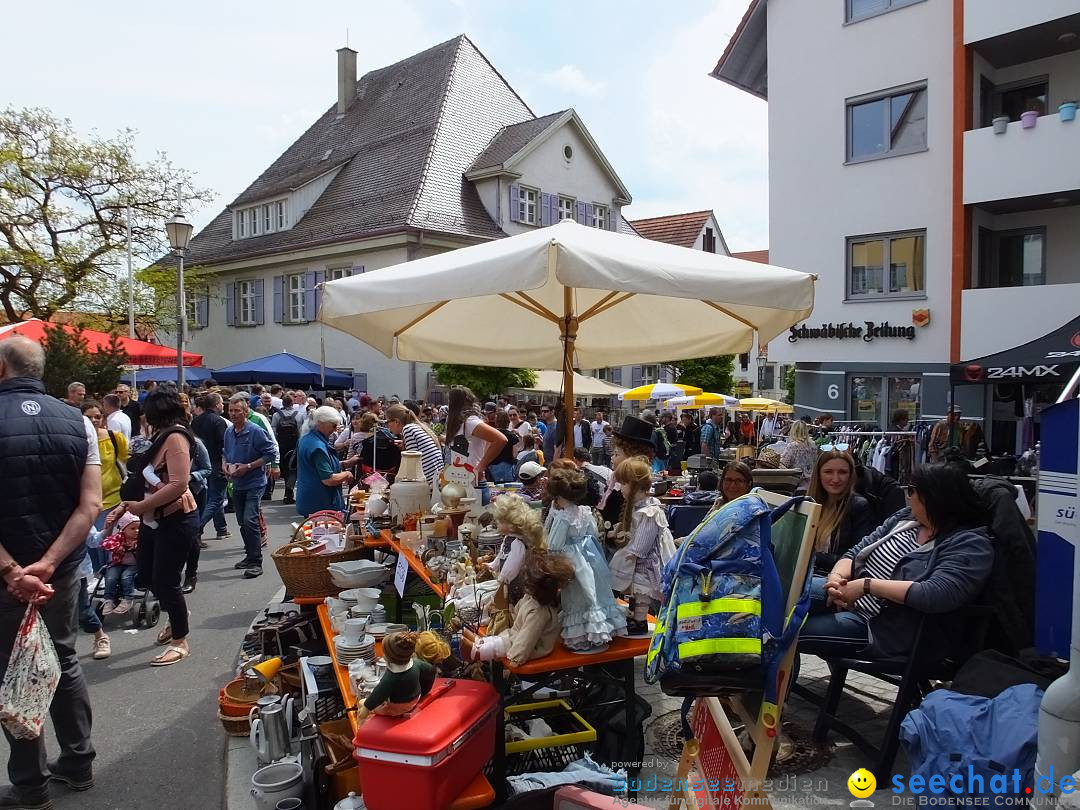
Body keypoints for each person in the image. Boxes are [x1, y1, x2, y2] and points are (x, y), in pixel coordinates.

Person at [0, 337, 101, 806]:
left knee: (13, 668)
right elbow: (91, 505)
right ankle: (78, 761)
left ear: (2, 369)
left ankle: (31, 782)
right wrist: (52, 561)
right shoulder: (79, 421)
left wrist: (14, 571)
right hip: (61, 569)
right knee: (62, 657)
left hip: (8, 575)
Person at [798, 463, 993, 662]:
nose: (908, 497)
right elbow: (855, 552)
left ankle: (775, 686)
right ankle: (774, 684)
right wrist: (836, 578)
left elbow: (936, 593)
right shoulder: (905, 519)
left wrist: (867, 586)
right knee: (776, 591)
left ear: (931, 497)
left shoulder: (970, 544)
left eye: (911, 490)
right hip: (848, 595)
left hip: (880, 626)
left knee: (787, 631)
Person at [113, 388, 199, 667]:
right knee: (148, 576)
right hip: (154, 519)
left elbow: (178, 483)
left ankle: (180, 639)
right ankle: (179, 619)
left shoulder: (174, 437)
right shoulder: (160, 436)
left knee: (165, 580)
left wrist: (139, 507)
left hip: (174, 518)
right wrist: (132, 505)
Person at [544, 467, 626, 650]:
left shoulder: (563, 517)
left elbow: (554, 545)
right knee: (595, 593)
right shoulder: (585, 512)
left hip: (572, 561)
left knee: (576, 597)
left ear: (558, 497)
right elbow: (594, 534)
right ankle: (600, 629)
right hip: (591, 558)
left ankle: (581, 635)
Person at [222, 395, 276, 578]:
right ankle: (249, 555)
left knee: (249, 520)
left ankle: (255, 562)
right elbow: (225, 453)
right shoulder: (229, 432)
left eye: (237, 411)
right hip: (237, 483)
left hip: (255, 482)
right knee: (241, 522)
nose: (234, 414)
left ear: (246, 412)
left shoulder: (255, 431)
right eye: (231, 410)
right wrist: (224, 466)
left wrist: (249, 466)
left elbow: (270, 452)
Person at [807, 450, 878, 575]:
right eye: (828, 472)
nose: (836, 479)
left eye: (842, 472)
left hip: (834, 578)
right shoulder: (807, 502)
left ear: (851, 475)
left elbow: (857, 557)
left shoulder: (859, 506)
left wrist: (812, 557)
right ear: (818, 475)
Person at [296, 406, 354, 517]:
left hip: (311, 499)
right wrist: (346, 474)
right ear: (321, 423)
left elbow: (317, 467)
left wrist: (344, 463)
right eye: (333, 425)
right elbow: (328, 479)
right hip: (320, 502)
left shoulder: (307, 439)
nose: (334, 429)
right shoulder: (317, 446)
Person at [444, 386, 508, 484]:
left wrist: (480, 466)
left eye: (449, 401)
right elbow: (488, 441)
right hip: (461, 479)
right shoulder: (461, 422)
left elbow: (500, 439)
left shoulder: (470, 421)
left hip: (472, 481)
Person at [190, 393, 231, 544]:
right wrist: (227, 464)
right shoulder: (219, 421)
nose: (223, 406)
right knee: (216, 498)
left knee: (210, 497)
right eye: (221, 403)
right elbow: (223, 445)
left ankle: (221, 528)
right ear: (216, 405)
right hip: (216, 463)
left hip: (199, 465)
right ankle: (197, 528)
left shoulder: (196, 421)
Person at [385, 404, 443, 487]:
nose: (387, 426)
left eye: (387, 422)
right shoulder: (419, 426)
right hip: (437, 480)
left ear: (396, 421)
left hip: (428, 484)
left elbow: (412, 466)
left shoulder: (408, 429)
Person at [100, 512, 140, 615]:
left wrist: (136, 547)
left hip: (135, 565)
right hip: (118, 563)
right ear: (123, 529)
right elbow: (105, 543)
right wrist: (117, 547)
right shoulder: (119, 537)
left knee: (126, 576)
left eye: (139, 528)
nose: (137, 531)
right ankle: (109, 599)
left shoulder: (141, 538)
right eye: (132, 528)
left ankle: (128, 599)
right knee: (110, 577)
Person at [272, 391, 305, 505]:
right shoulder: (299, 415)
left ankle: (288, 492)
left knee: (285, 469)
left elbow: (274, 432)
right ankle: (289, 491)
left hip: (282, 446)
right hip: (294, 446)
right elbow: (301, 432)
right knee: (293, 469)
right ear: (292, 403)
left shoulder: (277, 415)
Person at [779, 420, 819, 491]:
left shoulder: (792, 446)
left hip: (797, 484)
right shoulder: (813, 445)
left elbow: (784, 463)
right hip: (811, 483)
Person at [486, 410, 520, 484]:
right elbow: (514, 455)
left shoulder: (491, 434)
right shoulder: (512, 436)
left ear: (496, 420)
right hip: (508, 467)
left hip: (493, 466)